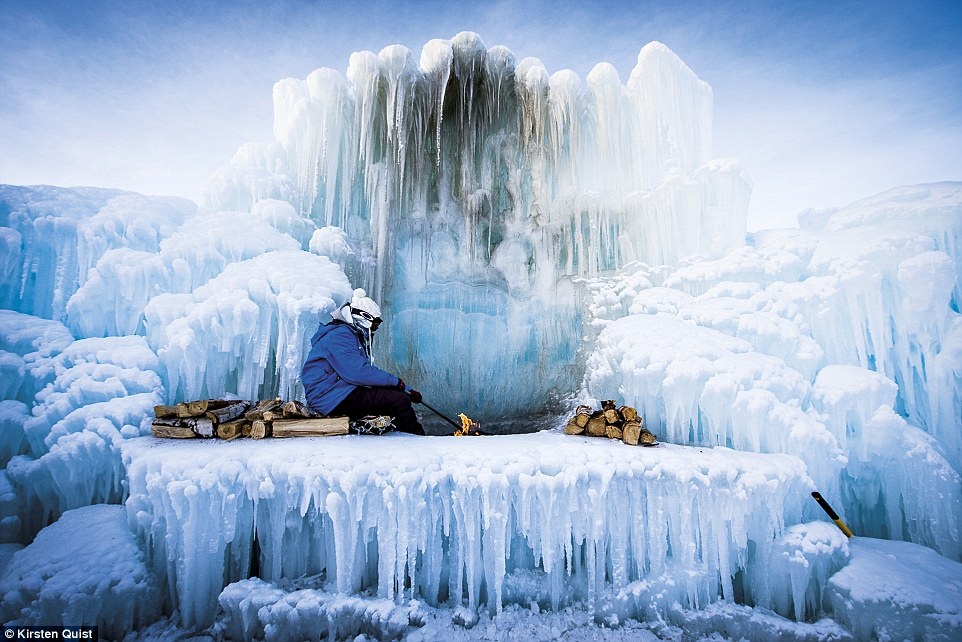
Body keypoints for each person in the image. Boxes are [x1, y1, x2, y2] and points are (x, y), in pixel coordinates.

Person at [302, 289, 425, 435]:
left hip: (338, 393)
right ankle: (417, 439)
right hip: (329, 397)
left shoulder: (349, 335)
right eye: (375, 323)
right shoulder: (339, 336)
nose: (376, 328)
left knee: (397, 398)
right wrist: (397, 383)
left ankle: (402, 433)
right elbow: (357, 372)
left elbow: (361, 373)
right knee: (399, 401)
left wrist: (406, 390)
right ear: (364, 318)